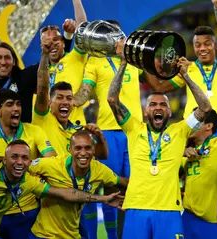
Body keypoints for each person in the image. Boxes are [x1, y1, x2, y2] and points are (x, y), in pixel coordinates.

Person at [107, 41, 211, 238]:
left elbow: (205, 108)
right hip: (136, 208)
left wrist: (185, 77)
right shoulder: (133, 128)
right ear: (146, 111)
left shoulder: (179, 130)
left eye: (162, 105)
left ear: (169, 111)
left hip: (169, 211)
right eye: (153, 104)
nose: (157, 108)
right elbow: (112, 99)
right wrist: (122, 64)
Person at [0, 139, 123, 239]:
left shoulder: (30, 182)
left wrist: (103, 198)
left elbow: (66, 194)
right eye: (14, 157)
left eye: (24, 158)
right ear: (4, 160)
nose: (20, 162)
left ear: (29, 162)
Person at [73, 21, 141, 239]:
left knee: (136, 187)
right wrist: (69, 101)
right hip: (109, 131)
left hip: (135, 131)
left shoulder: (134, 58)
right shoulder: (94, 62)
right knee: (111, 187)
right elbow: (85, 91)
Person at [0, 89, 56, 239]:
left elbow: (52, 161)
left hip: (25, 212)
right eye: (10, 105)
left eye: (18, 104)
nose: (16, 109)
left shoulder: (34, 132)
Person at [0, 20, 76, 131]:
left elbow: (55, 59)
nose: (3, 62)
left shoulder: (24, 77)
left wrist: (67, 37)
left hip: (21, 144)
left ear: (14, 61)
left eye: (7, 57)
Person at [28, 130, 128, 239]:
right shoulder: (52, 164)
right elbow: (21, 167)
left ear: (94, 149)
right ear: (70, 150)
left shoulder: (100, 170)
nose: (83, 153)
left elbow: (124, 182)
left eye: (88, 148)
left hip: (72, 234)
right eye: (78, 148)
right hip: (44, 235)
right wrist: (33, 183)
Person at [181, 61, 217, 239]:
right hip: (188, 218)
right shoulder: (185, 149)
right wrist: (182, 152)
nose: (189, 124)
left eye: (195, 121)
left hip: (214, 220)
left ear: (208, 126)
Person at [33, 35, 107, 158]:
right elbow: (42, 88)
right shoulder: (43, 118)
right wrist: (45, 55)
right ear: (50, 103)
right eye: (60, 97)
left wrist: (100, 138)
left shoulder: (79, 130)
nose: (65, 102)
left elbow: (102, 155)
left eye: (69, 98)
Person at [145, 26, 217, 132]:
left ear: (215, 45)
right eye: (197, 45)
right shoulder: (186, 69)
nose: (202, 48)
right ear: (193, 47)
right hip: (193, 128)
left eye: (207, 44)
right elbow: (159, 89)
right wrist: (147, 61)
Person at [42, 0, 88, 126]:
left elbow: (83, 29)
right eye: (47, 42)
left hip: (75, 127)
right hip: (49, 129)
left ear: (63, 42)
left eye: (56, 40)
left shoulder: (74, 58)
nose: (51, 45)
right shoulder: (39, 71)